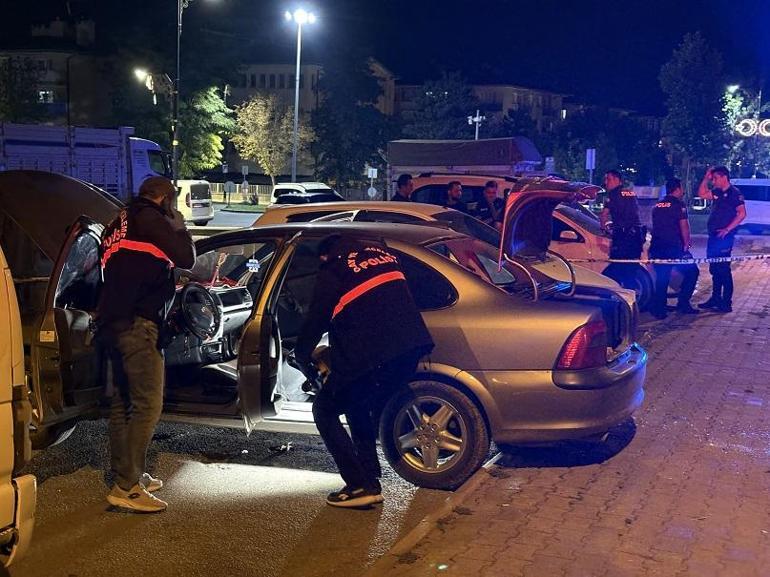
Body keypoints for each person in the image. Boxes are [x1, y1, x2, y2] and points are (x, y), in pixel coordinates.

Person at [295, 234, 434, 508]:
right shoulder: (384, 257)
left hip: (372, 353)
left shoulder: (335, 267)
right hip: (412, 347)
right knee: (356, 403)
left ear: (324, 255)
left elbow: (316, 318)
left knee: (324, 410)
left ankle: (358, 485)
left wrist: (302, 357)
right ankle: (370, 479)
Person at [96, 177, 196, 513]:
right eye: (173, 201)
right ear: (165, 198)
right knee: (147, 405)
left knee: (124, 404)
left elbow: (122, 267)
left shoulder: (118, 222)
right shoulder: (150, 218)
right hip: (138, 323)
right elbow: (187, 257)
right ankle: (127, 487)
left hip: (113, 321)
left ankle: (127, 473)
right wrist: (179, 225)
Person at [697, 166, 746, 313]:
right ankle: (715, 298)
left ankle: (726, 302)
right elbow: (702, 194)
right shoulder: (717, 192)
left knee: (724, 269)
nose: (713, 181)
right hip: (713, 237)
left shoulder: (734, 193)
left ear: (724, 177)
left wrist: (727, 229)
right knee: (714, 268)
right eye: (712, 179)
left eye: (715, 178)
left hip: (724, 238)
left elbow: (742, 213)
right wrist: (706, 177)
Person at [648, 178, 699, 319]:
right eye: (681, 187)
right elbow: (684, 226)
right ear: (677, 189)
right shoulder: (679, 205)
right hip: (674, 247)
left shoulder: (658, 205)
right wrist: (686, 244)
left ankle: (659, 308)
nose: (683, 190)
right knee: (692, 272)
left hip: (657, 246)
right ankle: (683, 303)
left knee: (662, 277)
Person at [599, 169, 645, 284]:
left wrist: (604, 229)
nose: (606, 182)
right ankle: (631, 292)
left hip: (622, 238)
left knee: (617, 269)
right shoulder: (631, 193)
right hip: (636, 237)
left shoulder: (613, 195)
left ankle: (616, 292)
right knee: (631, 270)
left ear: (616, 180)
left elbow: (604, 215)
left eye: (608, 179)